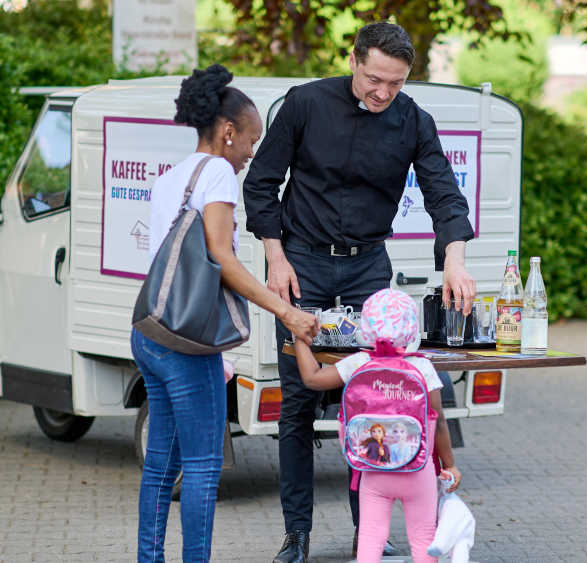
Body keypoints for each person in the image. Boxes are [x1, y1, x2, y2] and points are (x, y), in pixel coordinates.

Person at [242, 21, 477, 562]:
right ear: (353, 60)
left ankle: (366, 531)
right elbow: (261, 184)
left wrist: (454, 258)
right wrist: (275, 256)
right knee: (299, 403)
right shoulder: (304, 104)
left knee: (372, 398)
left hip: (369, 270)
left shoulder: (414, 121)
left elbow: (444, 193)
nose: (382, 92)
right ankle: (295, 534)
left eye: (394, 84)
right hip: (301, 265)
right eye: (374, 78)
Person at [132, 64, 319, 563]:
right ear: (228, 131)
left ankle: (149, 559)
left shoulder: (170, 176)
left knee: (160, 464)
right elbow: (222, 258)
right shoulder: (216, 172)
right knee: (201, 464)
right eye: (251, 140)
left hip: (150, 331)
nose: (251, 153)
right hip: (186, 343)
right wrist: (286, 311)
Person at [293, 288, 462, 563]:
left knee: (371, 536)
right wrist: (450, 464)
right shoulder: (423, 368)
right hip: (418, 471)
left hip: (372, 470)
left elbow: (312, 379)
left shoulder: (359, 363)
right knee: (423, 537)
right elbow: (439, 421)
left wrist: (300, 340)